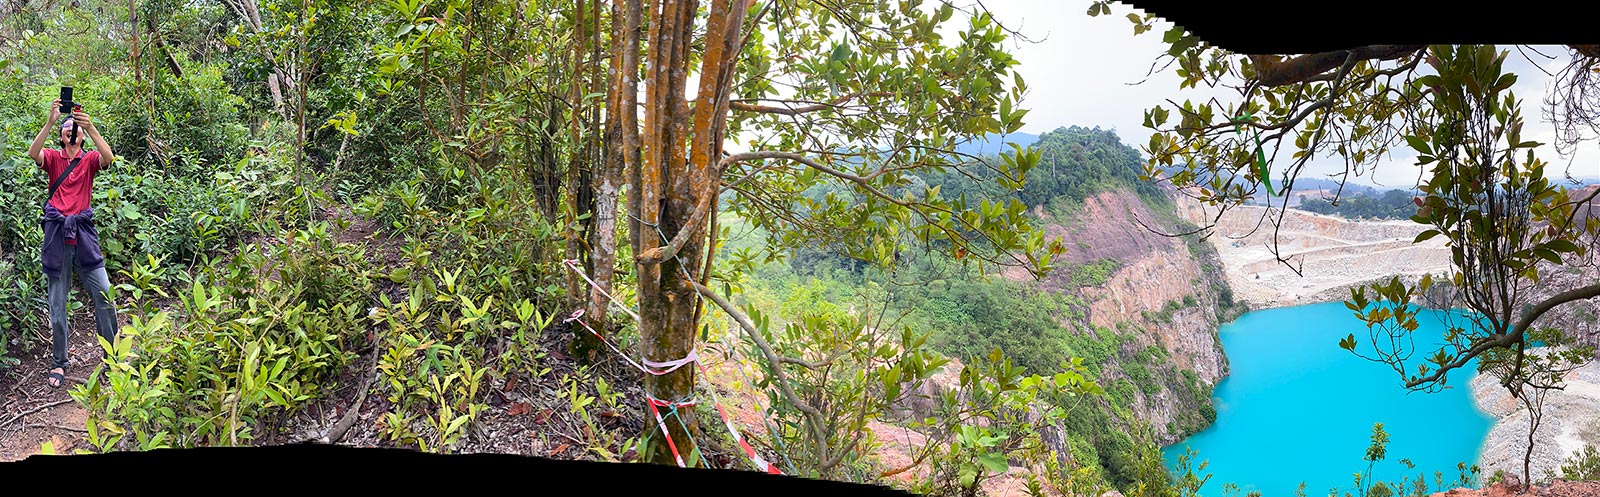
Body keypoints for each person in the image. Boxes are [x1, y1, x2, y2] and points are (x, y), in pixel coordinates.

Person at [26, 97, 118, 389]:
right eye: (68, 128)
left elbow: (108, 158)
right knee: (57, 301)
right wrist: (51, 121)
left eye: (74, 128)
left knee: (103, 292)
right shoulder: (54, 158)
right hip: (56, 234)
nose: (71, 131)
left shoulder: (88, 159)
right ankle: (59, 361)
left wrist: (90, 129)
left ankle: (112, 358)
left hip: (83, 233)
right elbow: (33, 153)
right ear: (62, 135)